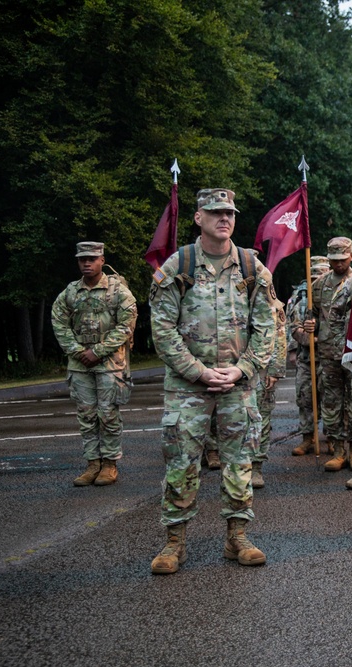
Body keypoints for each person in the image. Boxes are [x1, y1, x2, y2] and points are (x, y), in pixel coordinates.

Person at [148, 188, 276, 574]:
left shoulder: (253, 268)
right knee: (181, 462)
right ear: (198, 217)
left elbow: (266, 329)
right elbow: (162, 329)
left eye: (230, 213)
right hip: (189, 387)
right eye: (215, 212)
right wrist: (199, 372)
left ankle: (237, 537)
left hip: (238, 385)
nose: (225, 218)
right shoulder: (178, 265)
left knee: (239, 461)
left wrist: (241, 370)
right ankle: (174, 543)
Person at [51, 242, 138, 487]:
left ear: (102, 260)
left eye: (91, 259)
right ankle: (92, 463)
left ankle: (110, 464)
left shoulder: (117, 291)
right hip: (80, 365)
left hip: (109, 364)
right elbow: (58, 322)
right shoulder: (70, 292)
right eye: (82, 260)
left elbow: (126, 325)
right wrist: (78, 351)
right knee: (86, 415)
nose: (86, 263)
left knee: (108, 414)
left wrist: (98, 351)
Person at [299, 238, 352, 471]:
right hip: (328, 352)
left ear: (351, 256)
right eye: (334, 261)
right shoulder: (320, 284)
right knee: (333, 403)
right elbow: (309, 315)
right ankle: (339, 449)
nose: (338, 264)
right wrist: (309, 325)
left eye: (342, 260)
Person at [288, 257, 329, 456]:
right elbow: (293, 325)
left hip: (330, 357)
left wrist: (323, 339)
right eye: (313, 276)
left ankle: (332, 439)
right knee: (305, 397)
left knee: (330, 399)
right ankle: (307, 438)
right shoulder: (300, 296)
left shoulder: (336, 293)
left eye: (321, 276)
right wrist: (307, 341)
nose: (317, 281)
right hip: (307, 357)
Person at [251, 293, 287, 488]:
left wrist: (275, 370)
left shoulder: (268, 297)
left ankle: (255, 467)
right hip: (231, 367)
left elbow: (280, 335)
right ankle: (235, 468)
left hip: (261, 369)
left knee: (261, 420)